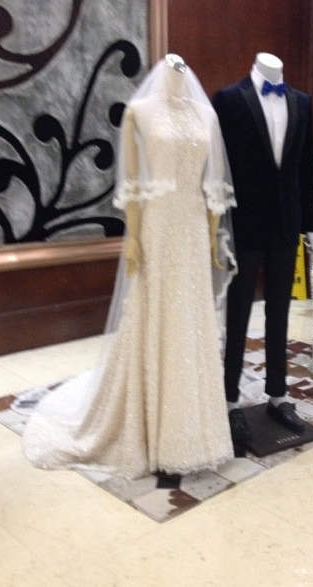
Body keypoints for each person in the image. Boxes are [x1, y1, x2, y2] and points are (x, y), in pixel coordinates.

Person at [21, 54, 237, 479]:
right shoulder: (139, 112)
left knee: (191, 323)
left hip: (193, 229)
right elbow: (134, 185)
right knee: (155, 316)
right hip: (157, 227)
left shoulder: (207, 115)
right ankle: (148, 427)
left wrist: (213, 237)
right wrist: (134, 237)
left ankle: (193, 431)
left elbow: (212, 183)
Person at [212, 52, 313, 443]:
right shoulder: (228, 99)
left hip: (286, 225)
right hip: (243, 224)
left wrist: (310, 224)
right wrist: (217, 223)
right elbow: (216, 166)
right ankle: (228, 400)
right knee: (238, 313)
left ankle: (278, 394)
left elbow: (304, 168)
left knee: (280, 313)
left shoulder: (302, 102)